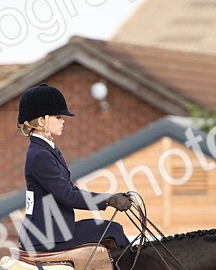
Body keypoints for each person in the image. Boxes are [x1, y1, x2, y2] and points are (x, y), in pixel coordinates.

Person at [15, 83, 133, 253]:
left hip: (56, 230)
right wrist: (108, 200)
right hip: (46, 236)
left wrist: (109, 198)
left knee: (110, 228)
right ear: (41, 121)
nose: (63, 121)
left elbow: (68, 190)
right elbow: (68, 196)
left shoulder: (47, 150)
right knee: (112, 230)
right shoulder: (41, 155)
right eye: (58, 117)